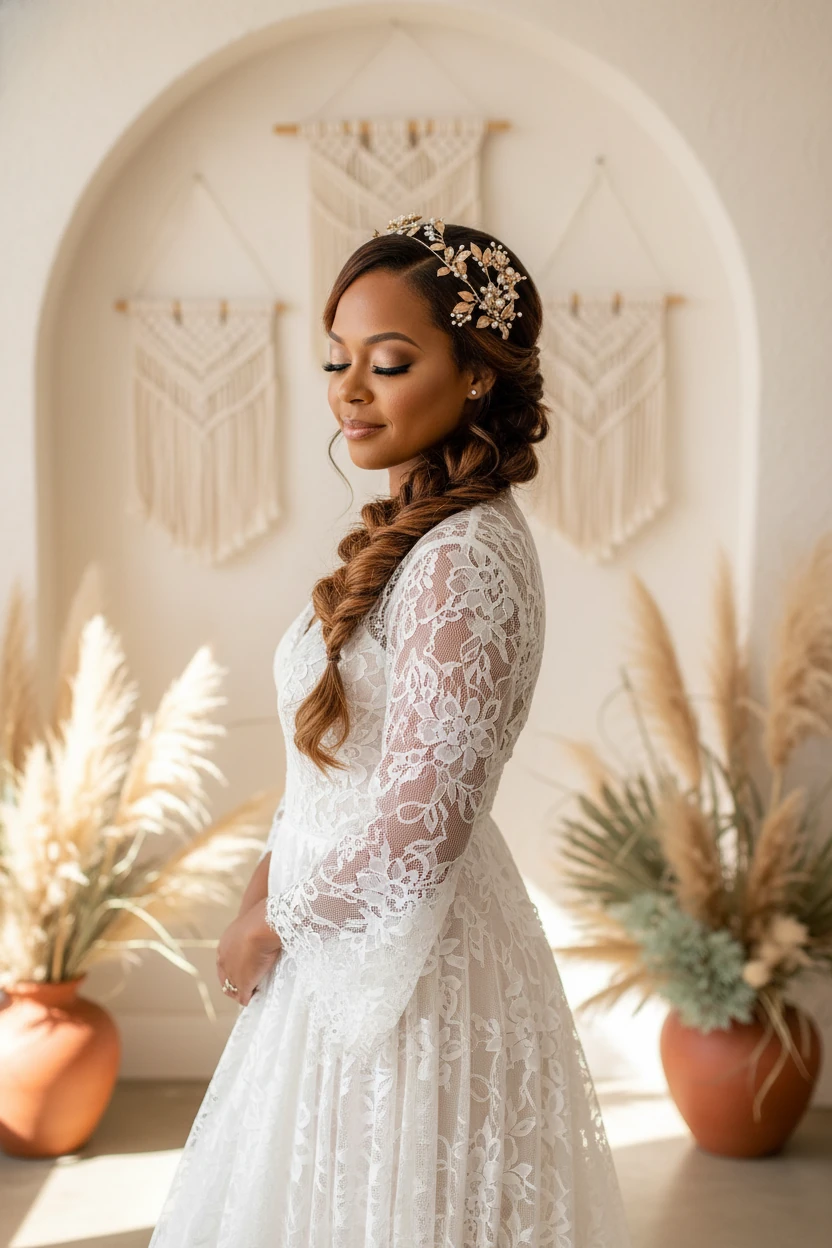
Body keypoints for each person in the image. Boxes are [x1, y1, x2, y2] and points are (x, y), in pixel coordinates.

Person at [149, 214, 631, 1247]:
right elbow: (331, 773)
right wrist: (256, 891)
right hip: (345, 949)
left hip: (414, 978)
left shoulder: (465, 557)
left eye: (390, 361)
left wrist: (274, 919)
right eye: (339, 360)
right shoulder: (422, 541)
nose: (349, 390)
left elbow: (417, 832)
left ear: (475, 377)